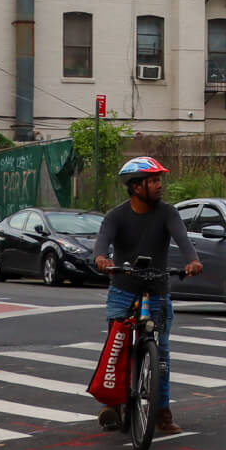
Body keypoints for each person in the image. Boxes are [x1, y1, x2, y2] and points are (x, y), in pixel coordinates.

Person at [91, 155, 204, 434]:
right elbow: (102, 244)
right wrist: (102, 258)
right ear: (136, 187)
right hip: (122, 289)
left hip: (157, 291)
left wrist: (193, 260)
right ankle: (114, 404)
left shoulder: (168, 213)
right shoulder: (116, 216)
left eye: (158, 180)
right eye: (152, 181)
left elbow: (183, 240)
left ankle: (162, 412)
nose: (158, 185)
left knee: (161, 354)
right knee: (117, 348)